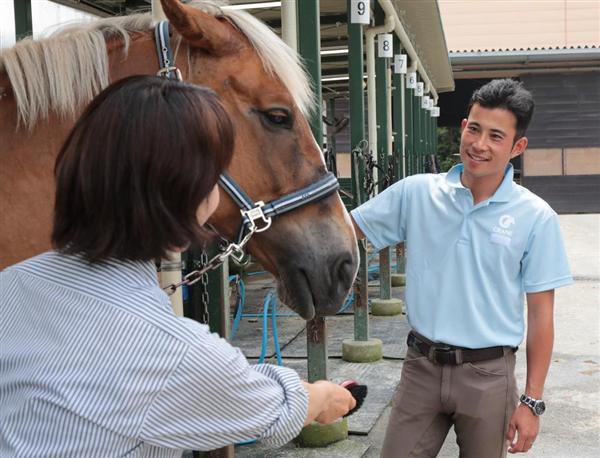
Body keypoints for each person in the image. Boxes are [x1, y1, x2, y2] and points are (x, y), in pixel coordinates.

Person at [0, 75, 355, 457]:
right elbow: (267, 407)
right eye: (215, 175)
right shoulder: (175, 352)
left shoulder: (12, 284)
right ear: (186, 192)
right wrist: (322, 397)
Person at [350, 79, 572, 457]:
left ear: (518, 147)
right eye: (474, 128)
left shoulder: (536, 218)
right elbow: (344, 230)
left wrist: (531, 402)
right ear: (464, 126)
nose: (479, 144)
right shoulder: (416, 193)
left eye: (495, 136)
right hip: (420, 367)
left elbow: (540, 316)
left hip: (489, 376)